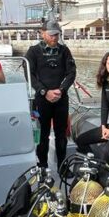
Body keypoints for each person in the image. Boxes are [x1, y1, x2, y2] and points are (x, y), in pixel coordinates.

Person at [25, 20, 76, 168]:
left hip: (61, 98)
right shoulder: (33, 51)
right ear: (43, 33)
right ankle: (42, 166)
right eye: (51, 34)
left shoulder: (64, 51)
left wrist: (62, 90)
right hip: (42, 100)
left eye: (57, 34)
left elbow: (71, 73)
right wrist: (44, 91)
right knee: (42, 135)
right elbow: (29, 75)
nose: (54, 38)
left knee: (61, 135)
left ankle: (62, 165)